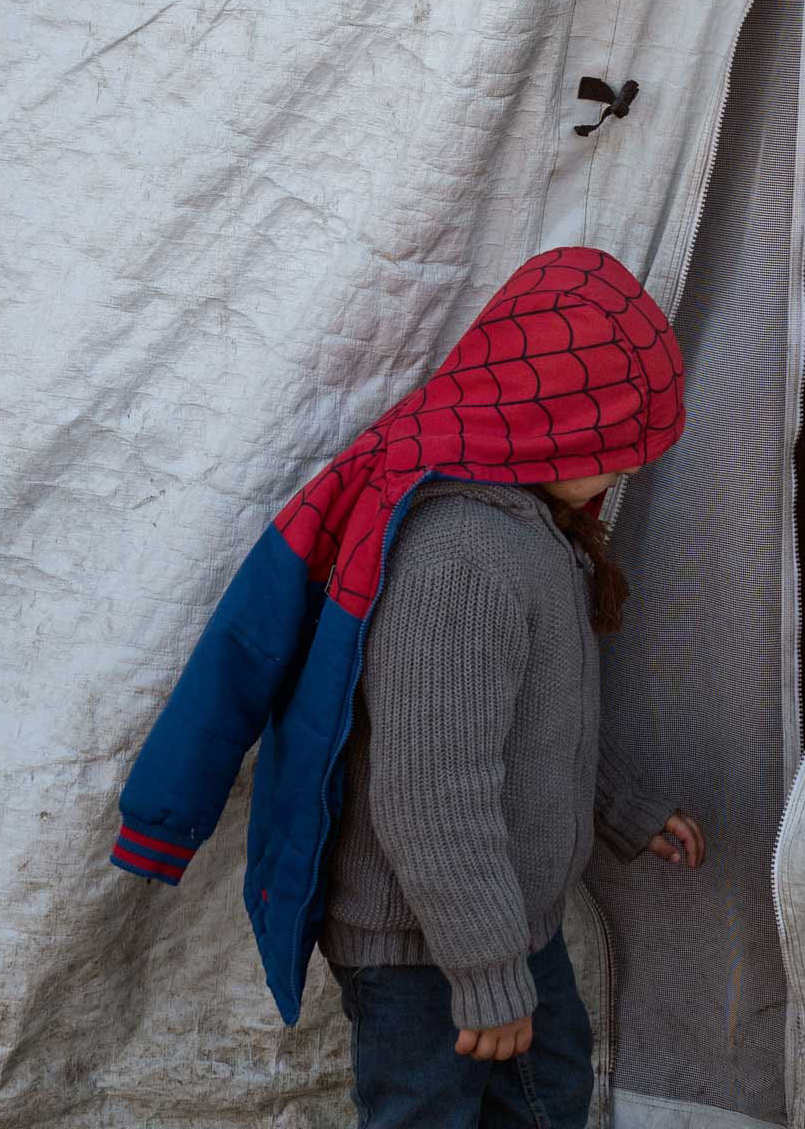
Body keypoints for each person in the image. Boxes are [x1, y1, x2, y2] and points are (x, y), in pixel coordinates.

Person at [111, 245, 706, 1129]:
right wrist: (486, 973)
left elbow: (539, 720)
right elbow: (432, 794)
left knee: (549, 1098)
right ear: (551, 419)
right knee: (433, 1112)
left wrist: (620, 806)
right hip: (426, 950)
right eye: (617, 447)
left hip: (502, 924)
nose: (627, 469)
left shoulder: (533, 531)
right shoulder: (461, 560)